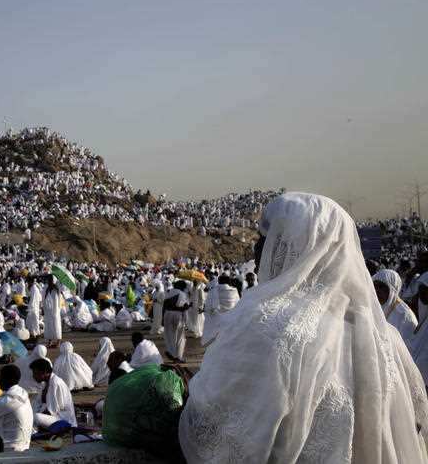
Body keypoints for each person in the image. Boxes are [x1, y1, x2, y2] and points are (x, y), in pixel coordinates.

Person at [179, 193, 428, 463]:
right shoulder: (386, 338)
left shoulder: (264, 322)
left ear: (293, 246)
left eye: (267, 238)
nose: (257, 249)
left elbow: (210, 431)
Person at [29, 358, 77, 429]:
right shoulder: (45, 384)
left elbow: (53, 410)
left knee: (36, 417)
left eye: (36, 373)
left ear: (44, 372)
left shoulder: (56, 383)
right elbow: (39, 403)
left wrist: (36, 414)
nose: (33, 376)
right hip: (52, 417)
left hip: (62, 419)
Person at [372, 269, 417, 344]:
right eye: (375, 286)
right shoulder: (373, 305)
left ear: (393, 291)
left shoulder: (406, 317)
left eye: (382, 287)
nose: (377, 291)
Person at [163, 280, 190, 362]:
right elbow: (183, 308)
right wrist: (186, 320)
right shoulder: (182, 294)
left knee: (169, 335)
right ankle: (178, 357)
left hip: (167, 314)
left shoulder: (169, 292)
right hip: (178, 316)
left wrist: (162, 318)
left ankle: (171, 352)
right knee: (180, 337)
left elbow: (164, 306)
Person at [43, 281, 63, 347]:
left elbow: (58, 302)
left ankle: (58, 341)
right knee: (49, 326)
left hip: (55, 312)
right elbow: (45, 300)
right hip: (49, 312)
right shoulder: (47, 290)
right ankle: (50, 341)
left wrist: (55, 312)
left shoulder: (56, 290)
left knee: (56, 326)